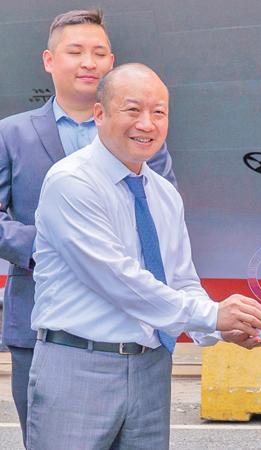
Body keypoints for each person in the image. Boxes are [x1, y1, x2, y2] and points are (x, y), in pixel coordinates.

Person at [26, 63, 261, 450]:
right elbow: (117, 279)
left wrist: (222, 329)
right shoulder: (70, 182)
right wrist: (212, 314)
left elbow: (181, 280)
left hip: (152, 370)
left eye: (159, 112)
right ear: (100, 114)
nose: (147, 123)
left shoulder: (163, 193)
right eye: (133, 110)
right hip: (79, 367)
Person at [0, 9, 177, 444]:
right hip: (44, 327)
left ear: (111, 62)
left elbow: (165, 212)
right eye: (75, 51)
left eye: (99, 53)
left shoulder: (143, 134)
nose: (88, 62)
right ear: (48, 60)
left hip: (137, 325)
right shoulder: (12, 134)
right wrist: (45, 246)